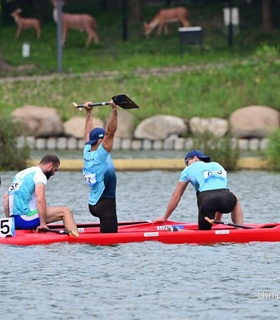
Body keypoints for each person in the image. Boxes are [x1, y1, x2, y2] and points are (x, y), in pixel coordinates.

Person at [155, 150, 244, 230]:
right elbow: (221, 191)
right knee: (235, 199)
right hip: (226, 198)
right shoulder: (217, 165)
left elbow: (176, 195)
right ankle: (240, 230)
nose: (187, 164)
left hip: (206, 200)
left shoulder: (188, 169)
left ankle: (208, 231)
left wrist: (164, 217)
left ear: (195, 158)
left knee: (205, 241)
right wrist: (217, 222)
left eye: (187, 161)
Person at [3, 154, 79, 236]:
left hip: (15, 220)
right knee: (65, 211)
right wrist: (42, 224)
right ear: (50, 166)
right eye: (55, 170)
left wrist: (11, 222)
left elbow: (6, 197)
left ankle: (71, 232)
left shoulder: (21, 173)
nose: (54, 173)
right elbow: (40, 200)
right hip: (25, 219)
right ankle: (77, 240)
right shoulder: (40, 175)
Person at [82, 99, 118, 233]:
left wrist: (88, 113)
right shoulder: (101, 155)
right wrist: (114, 111)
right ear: (100, 140)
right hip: (106, 205)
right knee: (110, 245)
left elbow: (88, 133)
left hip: (93, 204)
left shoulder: (86, 150)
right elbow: (111, 132)